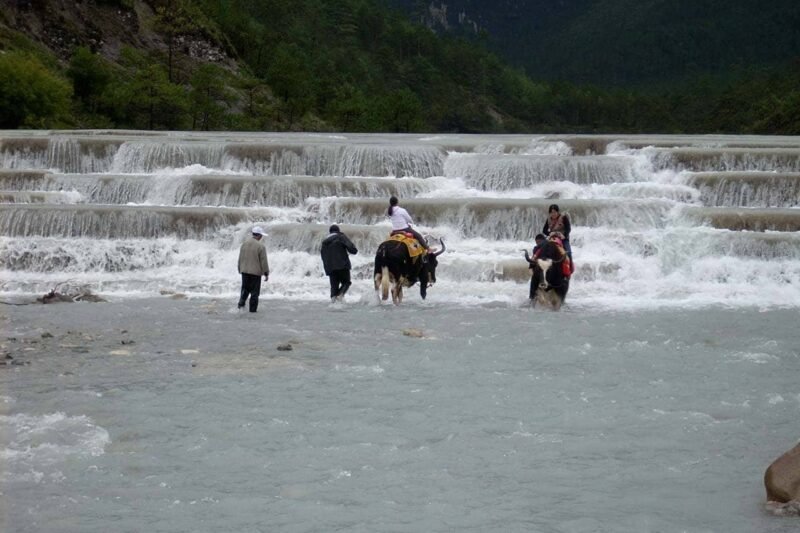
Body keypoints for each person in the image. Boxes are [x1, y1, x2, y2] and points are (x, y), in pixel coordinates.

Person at [320, 224, 358, 302]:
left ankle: (333, 302)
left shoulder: (324, 243)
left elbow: (323, 257)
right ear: (338, 231)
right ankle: (340, 296)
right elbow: (353, 249)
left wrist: (327, 269)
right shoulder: (341, 237)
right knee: (346, 282)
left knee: (334, 287)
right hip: (342, 265)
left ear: (330, 232)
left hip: (330, 268)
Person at [237, 225, 269, 312]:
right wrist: (266, 273)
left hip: (244, 271)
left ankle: (240, 308)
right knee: (254, 294)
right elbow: (263, 261)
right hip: (255, 273)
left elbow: (240, 258)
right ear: (258, 235)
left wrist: (240, 269)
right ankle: (252, 312)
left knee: (244, 291)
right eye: (261, 235)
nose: (262, 237)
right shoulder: (260, 246)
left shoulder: (244, 244)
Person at [523, 233, 546, 300]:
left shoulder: (548, 247)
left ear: (543, 240)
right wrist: (531, 267)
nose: (538, 244)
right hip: (538, 270)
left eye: (539, 242)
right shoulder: (536, 249)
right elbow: (533, 259)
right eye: (536, 242)